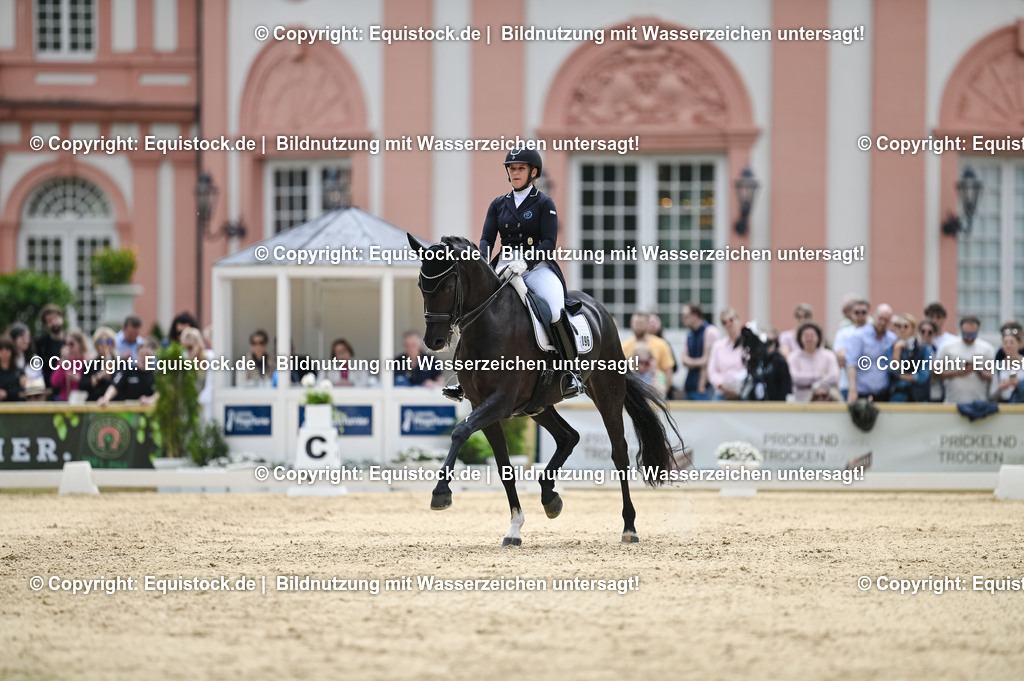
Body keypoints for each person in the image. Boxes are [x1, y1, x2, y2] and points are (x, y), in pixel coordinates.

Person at [444, 147, 583, 402]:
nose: (515, 173)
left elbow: (549, 242)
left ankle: (570, 372)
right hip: (503, 264)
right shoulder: (498, 204)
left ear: (533, 172)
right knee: (474, 307)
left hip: (537, 266)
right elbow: (487, 238)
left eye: (520, 168)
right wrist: (482, 259)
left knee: (553, 309)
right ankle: (461, 378)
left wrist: (526, 263)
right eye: (512, 168)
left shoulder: (544, 203)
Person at [938, 315, 995, 404]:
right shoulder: (947, 347)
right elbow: (936, 374)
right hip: (952, 401)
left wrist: (977, 370)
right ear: (961, 330)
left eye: (973, 334)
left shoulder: (987, 349)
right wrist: (957, 372)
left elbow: (991, 377)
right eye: (966, 334)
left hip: (979, 403)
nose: (969, 337)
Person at [846, 304, 896, 403]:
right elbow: (852, 364)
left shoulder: (892, 339)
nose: (882, 323)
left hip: (884, 393)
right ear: (874, 316)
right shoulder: (859, 336)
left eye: (886, 320)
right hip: (862, 391)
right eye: (880, 318)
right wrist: (852, 390)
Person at [787, 322, 840, 401]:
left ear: (818, 337)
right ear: (800, 338)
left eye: (812, 335)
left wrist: (809, 382)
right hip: (800, 400)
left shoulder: (829, 355)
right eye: (806, 336)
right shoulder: (793, 357)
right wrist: (819, 376)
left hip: (826, 401)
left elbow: (834, 376)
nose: (809, 338)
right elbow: (794, 378)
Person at [886, 314, 932, 402]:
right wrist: (896, 351)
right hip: (897, 396)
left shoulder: (924, 349)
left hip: (918, 397)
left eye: (906, 326)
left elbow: (922, 376)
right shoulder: (892, 348)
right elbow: (892, 370)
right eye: (899, 326)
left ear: (913, 328)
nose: (902, 329)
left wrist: (900, 376)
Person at [98, 340, 159, 406]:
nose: (145, 358)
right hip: (128, 412)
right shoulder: (128, 370)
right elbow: (115, 386)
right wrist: (106, 398)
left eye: (147, 354)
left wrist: (150, 400)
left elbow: (160, 392)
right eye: (143, 353)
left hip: (148, 412)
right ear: (138, 353)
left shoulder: (156, 374)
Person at [680, 302, 719, 400]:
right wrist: (700, 361)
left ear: (695, 316)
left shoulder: (710, 332)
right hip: (690, 385)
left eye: (686, 316)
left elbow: (707, 361)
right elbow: (684, 360)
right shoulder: (689, 335)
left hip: (704, 388)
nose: (683, 319)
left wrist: (701, 385)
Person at [834, 298, 870, 399]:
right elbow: (842, 358)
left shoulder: (873, 333)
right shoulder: (843, 333)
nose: (860, 315)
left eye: (863, 312)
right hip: (847, 385)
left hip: (869, 386)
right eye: (857, 312)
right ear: (851, 313)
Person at [707, 307, 746, 399]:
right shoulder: (718, 346)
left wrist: (738, 387)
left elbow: (751, 368)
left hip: (743, 392)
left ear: (738, 320)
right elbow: (712, 371)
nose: (728, 324)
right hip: (722, 393)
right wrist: (723, 386)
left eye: (731, 320)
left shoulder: (747, 345)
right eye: (724, 322)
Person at [622, 312, 675, 377]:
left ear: (647, 324)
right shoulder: (624, 346)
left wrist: (665, 387)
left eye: (641, 323)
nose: (638, 326)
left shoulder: (661, 344)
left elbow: (668, 369)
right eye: (635, 323)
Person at [34, 304, 66, 396]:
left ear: (62, 318)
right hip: (49, 392)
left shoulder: (71, 341)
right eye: (49, 321)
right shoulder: (40, 344)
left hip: (68, 391)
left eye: (56, 318)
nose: (54, 323)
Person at [79, 327, 118, 401]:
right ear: (96, 345)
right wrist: (98, 376)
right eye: (101, 342)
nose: (104, 345)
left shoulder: (120, 363)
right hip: (94, 403)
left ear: (113, 343)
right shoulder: (91, 364)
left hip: (115, 405)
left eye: (108, 341)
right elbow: (82, 385)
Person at [49, 329, 88, 401]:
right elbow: (54, 382)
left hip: (83, 400)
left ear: (80, 344)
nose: (68, 347)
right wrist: (62, 361)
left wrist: (80, 379)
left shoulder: (88, 360)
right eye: (66, 344)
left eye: (71, 344)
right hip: (65, 400)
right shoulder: (65, 361)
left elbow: (91, 381)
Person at [990, 322, 1024, 402]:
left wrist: (1019, 385)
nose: (1008, 346)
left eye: (1012, 342)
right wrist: (1000, 388)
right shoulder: (999, 361)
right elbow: (992, 393)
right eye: (1005, 343)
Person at [0, 338, 25, 402]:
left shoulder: (19, 371)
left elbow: (23, 391)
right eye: (1, 349)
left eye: (7, 349)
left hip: (16, 408)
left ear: (12, 351)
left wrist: (7, 393)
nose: (4, 352)